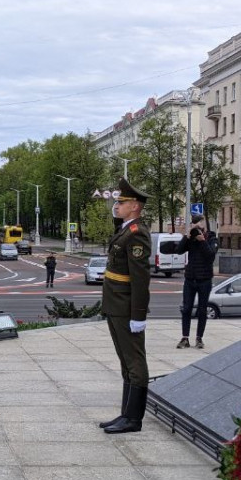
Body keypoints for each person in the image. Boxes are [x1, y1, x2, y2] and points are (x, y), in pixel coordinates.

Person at [99, 178, 151, 434]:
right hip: (116, 304)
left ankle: (134, 419)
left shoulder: (137, 233)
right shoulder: (125, 229)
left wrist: (138, 315)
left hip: (126, 306)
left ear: (135, 206)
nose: (116, 205)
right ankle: (125, 414)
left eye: (121, 202)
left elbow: (140, 279)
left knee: (134, 362)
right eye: (116, 201)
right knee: (125, 361)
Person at [175, 215, 219, 350]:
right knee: (186, 308)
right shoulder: (191, 238)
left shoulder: (211, 238)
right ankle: (185, 338)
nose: (197, 226)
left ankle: (199, 338)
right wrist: (187, 236)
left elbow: (210, 255)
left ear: (204, 224)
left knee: (201, 310)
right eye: (195, 224)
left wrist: (202, 240)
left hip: (204, 279)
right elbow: (179, 250)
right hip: (190, 278)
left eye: (199, 223)